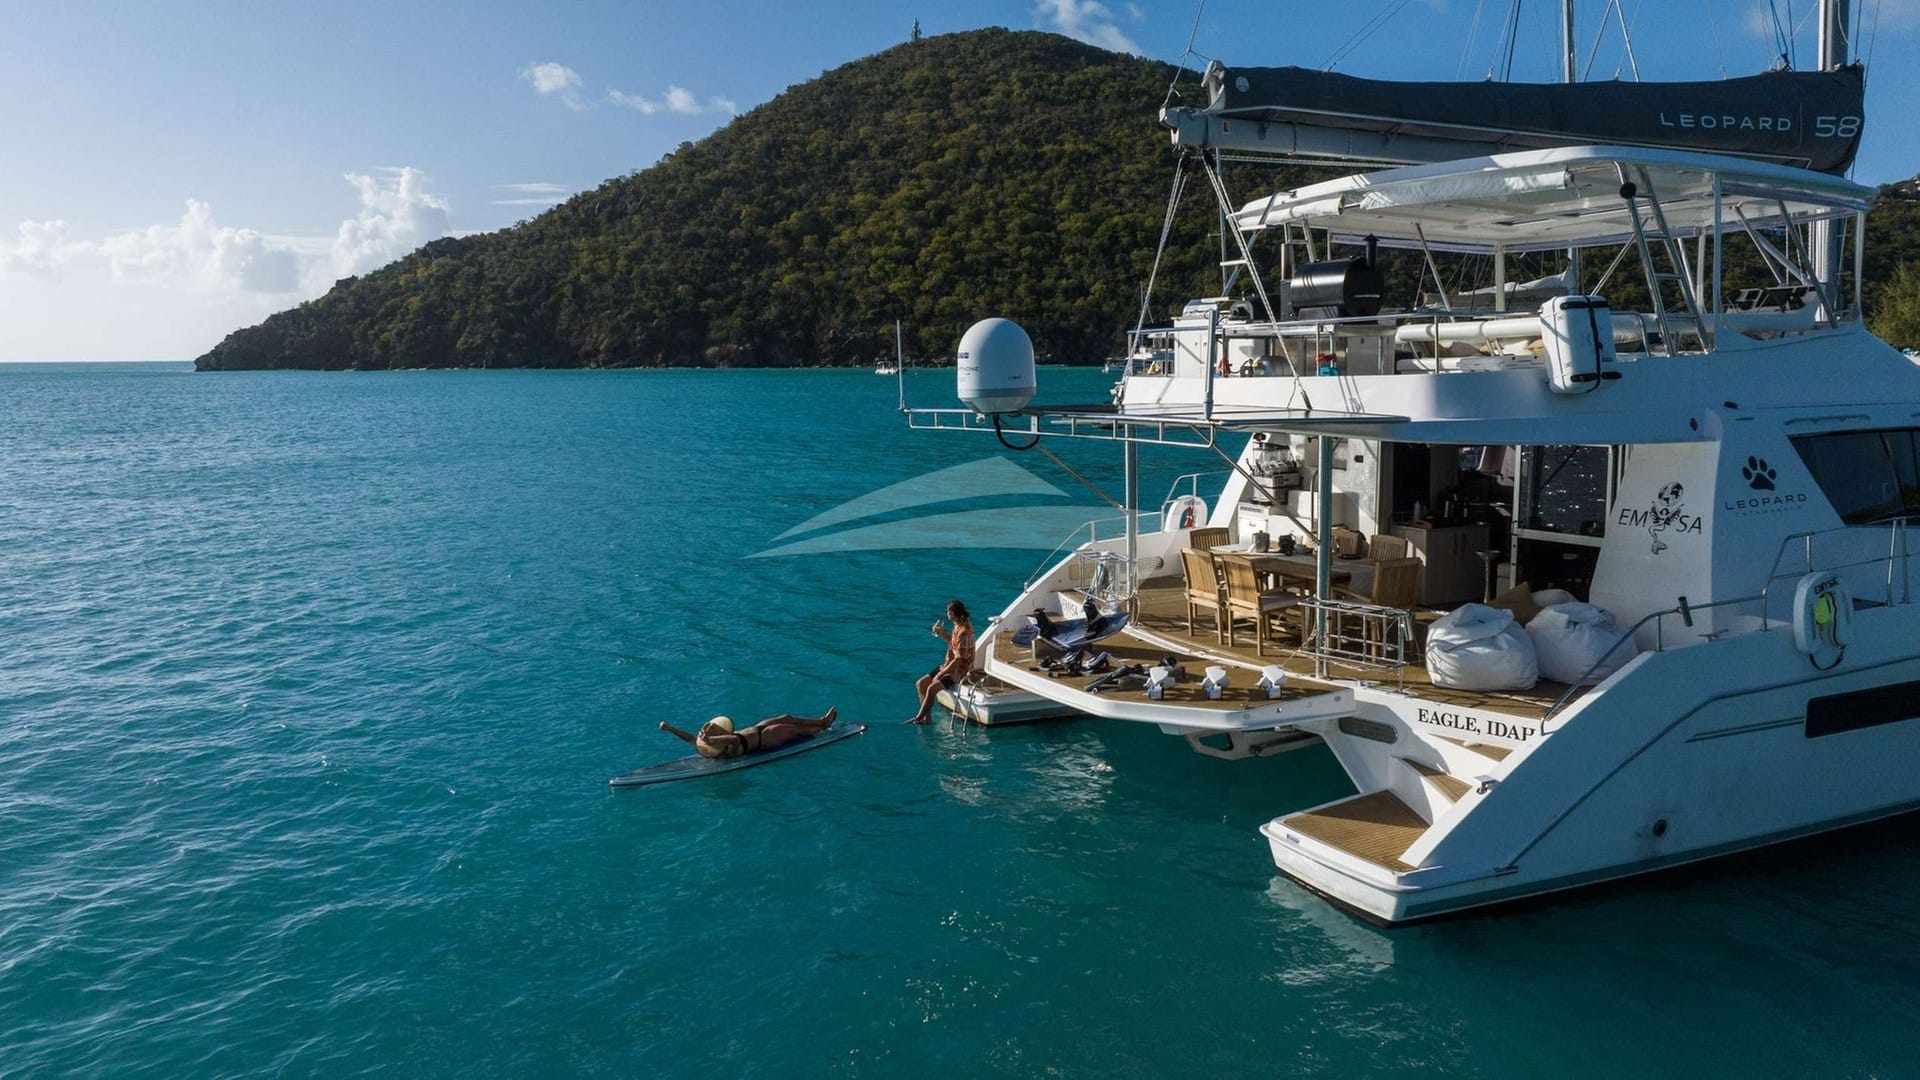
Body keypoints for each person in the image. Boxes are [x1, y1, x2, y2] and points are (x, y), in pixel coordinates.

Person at [659, 708, 838, 759]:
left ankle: (821, 720)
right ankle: (823, 728)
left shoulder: (707, 744)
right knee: (794, 730)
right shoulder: (729, 750)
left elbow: (689, 738)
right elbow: (733, 739)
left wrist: (669, 728)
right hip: (765, 739)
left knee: (787, 717)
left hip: (757, 728)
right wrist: (711, 738)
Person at [909, 600, 974, 724]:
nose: (946, 613)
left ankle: (918, 717)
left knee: (931, 689)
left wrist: (941, 673)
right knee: (921, 683)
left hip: (959, 670)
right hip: (949, 665)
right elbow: (953, 643)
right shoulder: (957, 626)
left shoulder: (964, 632)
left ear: (953, 614)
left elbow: (959, 659)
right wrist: (942, 633)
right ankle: (927, 719)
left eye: (948, 611)